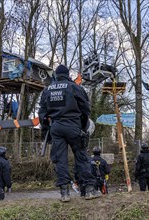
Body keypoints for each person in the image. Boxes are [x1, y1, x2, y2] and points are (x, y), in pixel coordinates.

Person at [38, 64, 101, 202]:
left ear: (56, 75)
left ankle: (64, 194)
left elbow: (42, 114)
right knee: (81, 157)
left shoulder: (47, 90)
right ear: (68, 75)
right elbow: (85, 109)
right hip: (73, 126)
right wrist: (83, 127)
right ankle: (90, 189)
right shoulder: (75, 87)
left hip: (56, 128)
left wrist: (45, 132)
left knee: (60, 160)